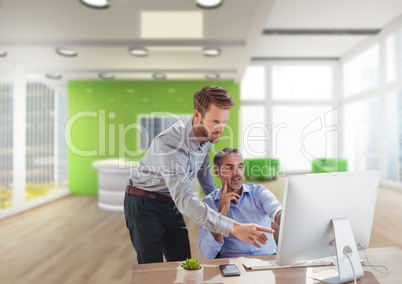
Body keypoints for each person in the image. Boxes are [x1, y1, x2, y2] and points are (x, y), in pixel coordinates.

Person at [124, 86, 274, 264]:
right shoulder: (170, 145)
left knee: (183, 262)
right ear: (197, 115)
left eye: (224, 122)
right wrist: (233, 227)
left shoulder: (207, 137)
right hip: (144, 203)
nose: (221, 128)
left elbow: (203, 172)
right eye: (215, 121)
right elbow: (186, 200)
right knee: (151, 266)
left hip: (170, 201)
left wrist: (219, 199)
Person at [199, 148, 282, 259]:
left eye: (240, 166)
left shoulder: (259, 193)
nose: (237, 172)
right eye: (229, 167)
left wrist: (286, 218)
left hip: (268, 260)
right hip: (233, 265)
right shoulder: (208, 204)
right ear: (217, 172)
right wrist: (221, 213)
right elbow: (207, 253)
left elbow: (277, 211)